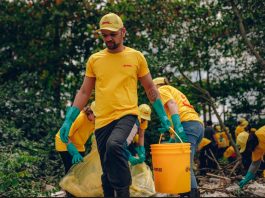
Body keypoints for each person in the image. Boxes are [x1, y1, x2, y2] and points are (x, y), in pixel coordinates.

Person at [59, 13, 171, 197]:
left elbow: (150, 88)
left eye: (113, 34)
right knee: (107, 166)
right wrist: (68, 121)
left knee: (115, 145)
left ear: (123, 32)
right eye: (105, 35)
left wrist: (164, 116)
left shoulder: (136, 57)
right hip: (102, 121)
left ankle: (123, 191)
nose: (109, 39)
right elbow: (85, 92)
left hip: (127, 116)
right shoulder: (95, 60)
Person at [153, 76, 204, 197]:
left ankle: (190, 194)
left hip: (186, 125)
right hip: (196, 125)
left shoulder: (162, 90)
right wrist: (172, 138)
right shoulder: (175, 91)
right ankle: (187, 192)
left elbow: (172, 104)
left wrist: (178, 125)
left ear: (155, 86)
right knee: (184, 164)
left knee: (185, 165)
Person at [55, 102, 95, 197]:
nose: (97, 119)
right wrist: (74, 152)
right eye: (96, 116)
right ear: (90, 112)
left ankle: (73, 190)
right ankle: (67, 192)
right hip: (64, 142)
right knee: (70, 168)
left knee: (80, 168)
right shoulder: (80, 118)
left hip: (79, 144)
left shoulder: (94, 121)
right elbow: (66, 136)